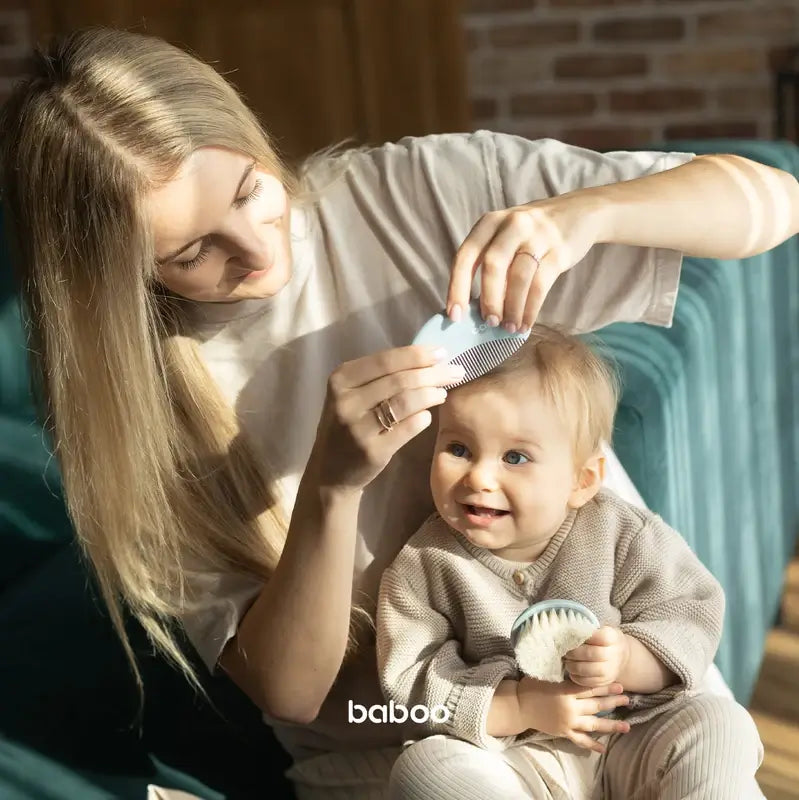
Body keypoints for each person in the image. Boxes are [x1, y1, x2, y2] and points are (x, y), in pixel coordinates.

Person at [0, 25, 794, 800]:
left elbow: (774, 201)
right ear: (113, 274)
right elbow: (291, 694)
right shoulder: (135, 413)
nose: (257, 250)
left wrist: (588, 215)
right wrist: (331, 487)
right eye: (192, 253)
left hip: (623, 700)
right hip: (402, 742)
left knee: (719, 740)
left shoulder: (410, 195)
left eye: (251, 190)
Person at [376, 326, 763, 799]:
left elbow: (689, 609)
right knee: (421, 770)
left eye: (515, 457)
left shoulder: (620, 533)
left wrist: (627, 659)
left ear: (581, 480)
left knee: (720, 723)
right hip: (513, 763)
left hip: (626, 736)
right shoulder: (425, 564)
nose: (478, 476)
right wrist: (520, 706)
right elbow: (412, 687)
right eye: (458, 449)